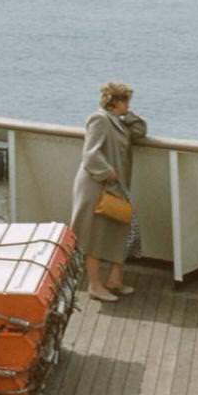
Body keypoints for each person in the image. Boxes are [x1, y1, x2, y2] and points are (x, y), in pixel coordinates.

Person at [69, 81, 147, 302]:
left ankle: (114, 280)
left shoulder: (117, 122)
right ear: (116, 102)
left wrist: (128, 114)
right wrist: (108, 172)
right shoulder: (100, 120)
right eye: (126, 101)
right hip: (96, 186)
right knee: (93, 236)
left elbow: (140, 130)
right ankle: (95, 285)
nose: (128, 105)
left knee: (122, 229)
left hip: (113, 187)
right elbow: (91, 154)